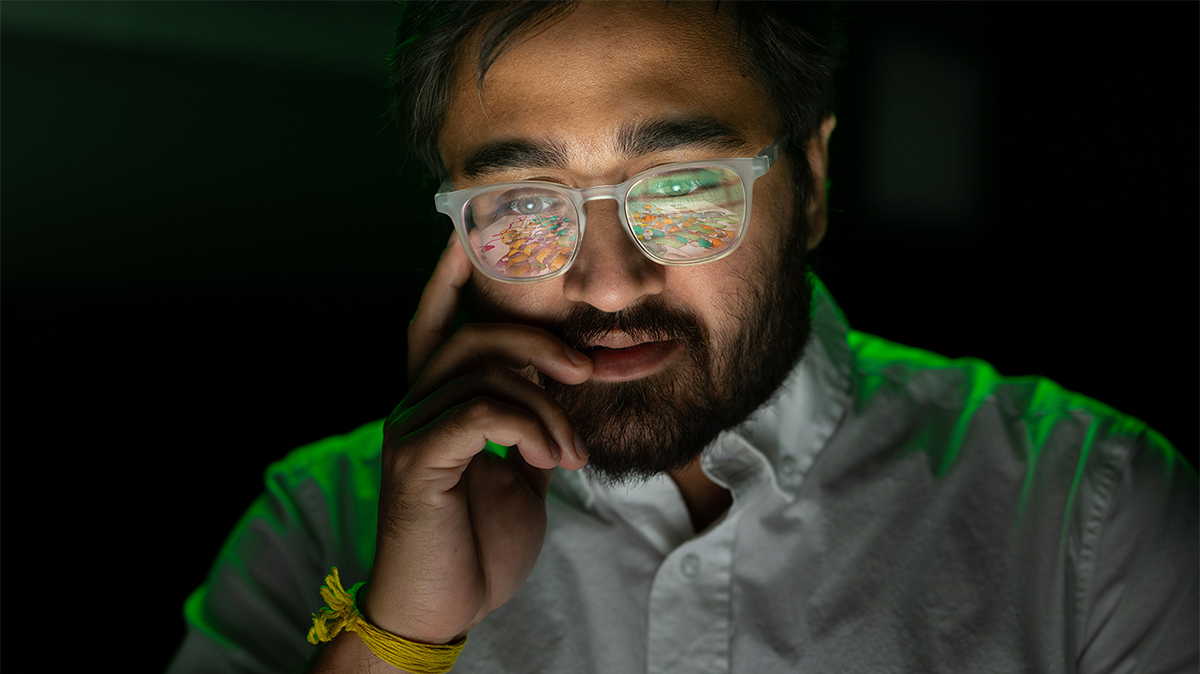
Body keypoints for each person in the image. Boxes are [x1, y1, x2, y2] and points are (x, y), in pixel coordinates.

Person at [167, 2, 1198, 673]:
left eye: (687, 188)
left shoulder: (1088, 520)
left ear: (814, 185)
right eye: (525, 205)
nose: (608, 281)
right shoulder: (319, 526)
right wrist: (397, 637)